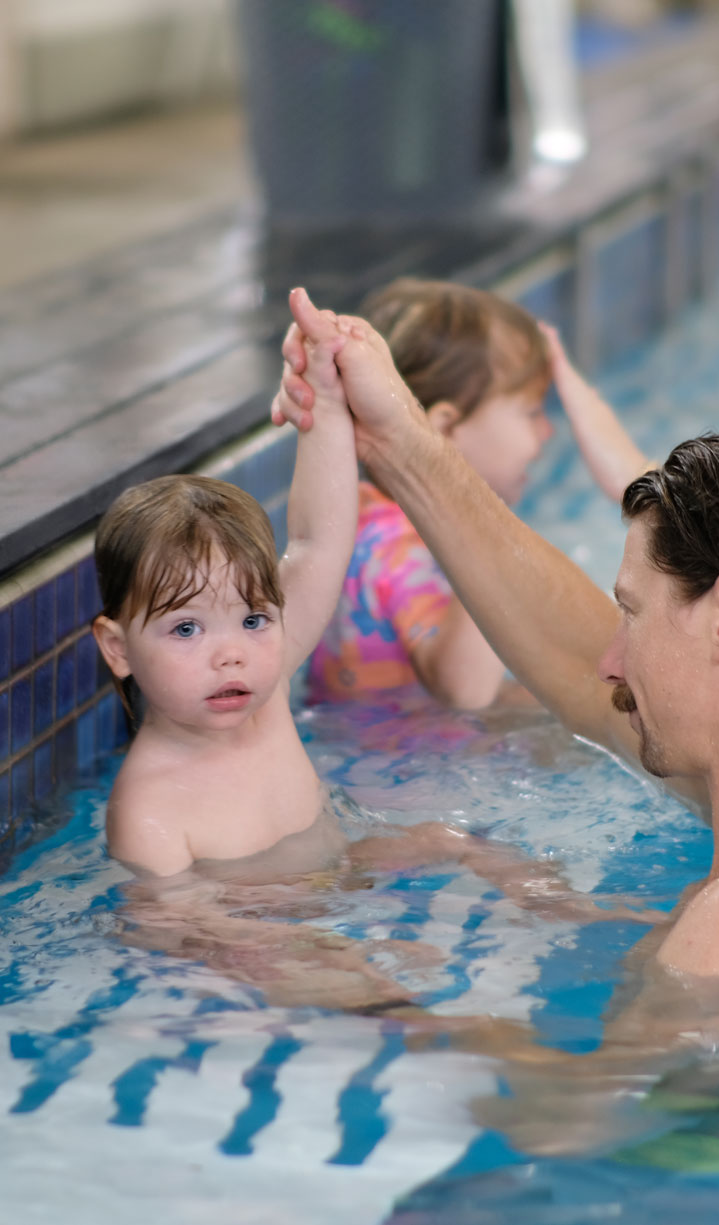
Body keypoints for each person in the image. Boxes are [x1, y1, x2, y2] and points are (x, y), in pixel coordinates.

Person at [273, 304, 719, 980]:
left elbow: (591, 1105)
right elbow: (578, 662)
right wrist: (399, 439)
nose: (610, 661)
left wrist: (353, 988)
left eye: (631, 613)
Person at [93, 288, 652, 1007]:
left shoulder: (259, 688)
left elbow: (320, 537)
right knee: (382, 998)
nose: (229, 653)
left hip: (344, 866)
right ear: (117, 648)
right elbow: (190, 930)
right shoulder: (150, 810)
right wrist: (349, 950)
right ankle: (418, 1023)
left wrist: (324, 396)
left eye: (253, 620)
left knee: (459, 838)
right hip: (266, 933)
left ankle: (586, 913)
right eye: (185, 629)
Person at [273, 277, 647, 710]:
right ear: (447, 428)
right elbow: (465, 690)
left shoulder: (368, 516)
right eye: (530, 412)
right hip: (407, 758)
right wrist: (491, 539)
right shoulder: (393, 543)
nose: (547, 431)